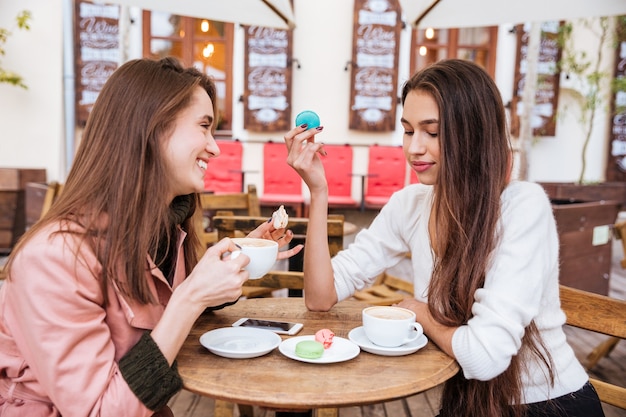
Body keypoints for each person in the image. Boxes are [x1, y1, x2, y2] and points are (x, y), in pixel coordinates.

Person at [284, 59, 605, 417]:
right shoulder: (410, 204)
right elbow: (319, 296)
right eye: (408, 131)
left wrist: (421, 312)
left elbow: (484, 356)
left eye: (432, 133)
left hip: (545, 405)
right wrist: (318, 191)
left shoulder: (522, 206)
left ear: (473, 134)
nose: (414, 149)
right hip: (466, 405)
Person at [0, 57, 302, 416]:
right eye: (203, 127)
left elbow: (168, 301)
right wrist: (190, 297)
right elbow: (100, 410)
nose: (215, 147)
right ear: (152, 129)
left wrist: (244, 252)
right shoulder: (53, 259)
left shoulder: (162, 229)